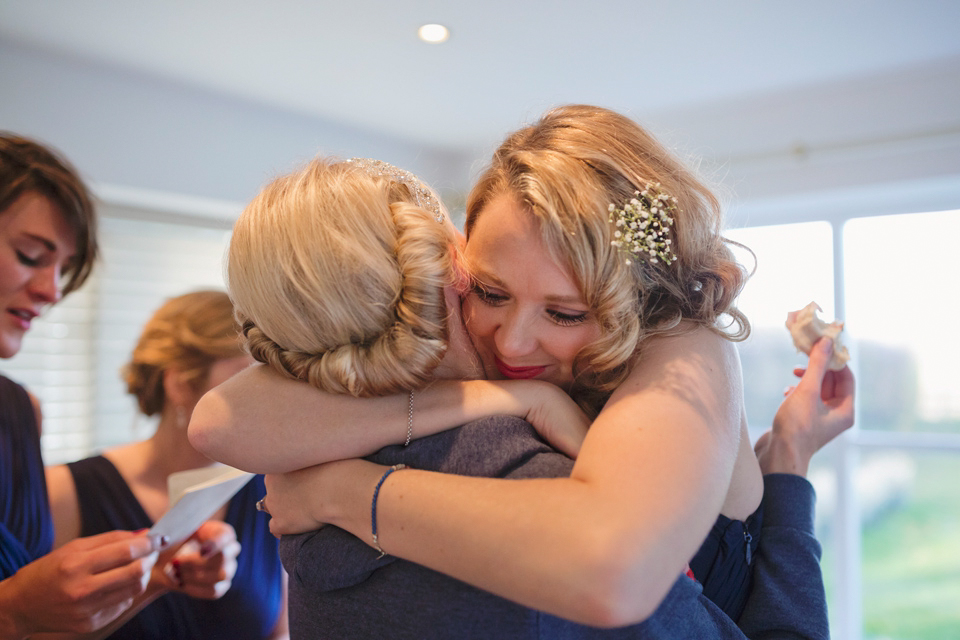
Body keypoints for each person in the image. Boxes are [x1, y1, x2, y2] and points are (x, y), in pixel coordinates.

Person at [189, 138, 852, 637]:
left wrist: (348, 492)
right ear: (452, 259)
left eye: (565, 313)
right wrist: (514, 398)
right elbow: (218, 422)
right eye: (490, 292)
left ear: (635, 306)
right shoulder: (521, 464)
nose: (509, 343)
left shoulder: (683, 348)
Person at [0, 133, 236, 640]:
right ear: (180, 384)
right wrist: (13, 609)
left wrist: (157, 576)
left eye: (63, 269)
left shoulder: (19, 413)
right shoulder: (71, 485)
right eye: (30, 255)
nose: (51, 291)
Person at [44, 290, 288, 639]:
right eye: (246, 378)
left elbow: (279, 632)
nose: (270, 400)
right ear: (181, 384)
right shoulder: (65, 491)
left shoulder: (272, 490)